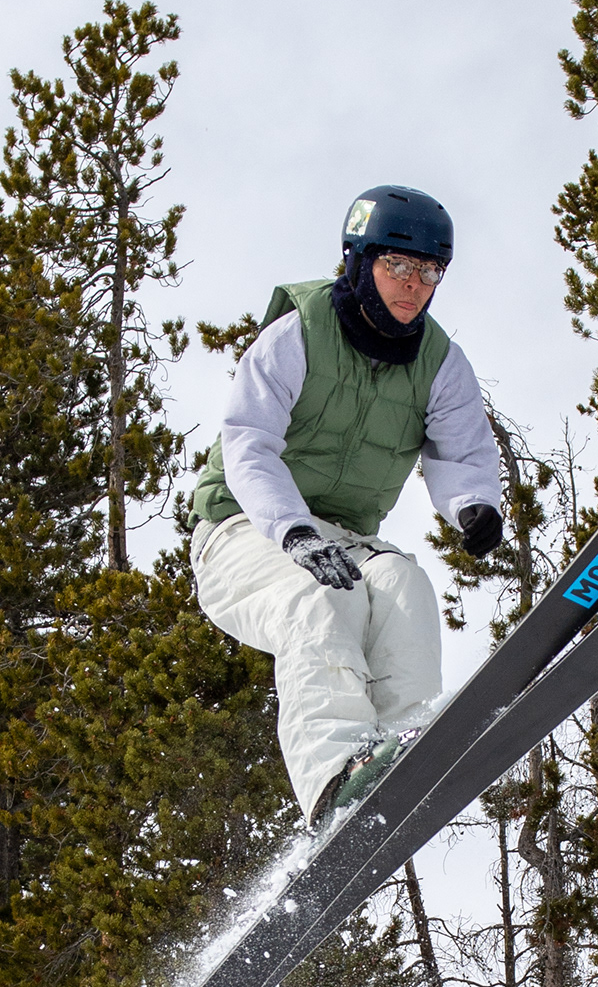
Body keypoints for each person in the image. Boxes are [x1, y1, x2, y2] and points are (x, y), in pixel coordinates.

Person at [188, 184, 507, 828]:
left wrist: (474, 506)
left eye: (429, 272)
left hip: (344, 537)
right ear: (359, 262)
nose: (413, 285)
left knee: (404, 586)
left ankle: (406, 752)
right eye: (398, 265)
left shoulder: (440, 363)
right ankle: (337, 775)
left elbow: (464, 452)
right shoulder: (298, 333)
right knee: (320, 597)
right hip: (243, 528)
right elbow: (249, 442)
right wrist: (293, 533)